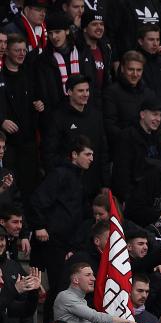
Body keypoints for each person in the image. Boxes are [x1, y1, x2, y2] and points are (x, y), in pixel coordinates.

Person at [28, 135, 94, 319]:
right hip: (52, 243)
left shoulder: (80, 179)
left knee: (62, 288)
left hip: (68, 245)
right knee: (56, 288)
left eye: (92, 155)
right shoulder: (59, 174)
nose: (91, 159)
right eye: (87, 154)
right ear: (74, 154)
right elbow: (37, 200)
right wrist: (39, 226)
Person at [41, 73, 107, 197]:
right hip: (68, 185)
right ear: (69, 92)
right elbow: (49, 154)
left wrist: (105, 183)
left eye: (87, 90)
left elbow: (102, 150)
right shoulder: (57, 118)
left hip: (93, 184)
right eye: (80, 91)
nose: (85, 94)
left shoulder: (96, 115)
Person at [0, 34, 42, 199]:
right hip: (8, 145)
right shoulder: (1, 74)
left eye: (24, 50)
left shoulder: (28, 73)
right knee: (10, 190)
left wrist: (39, 104)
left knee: (29, 187)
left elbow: (37, 97)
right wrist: (1, 121)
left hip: (28, 142)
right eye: (17, 50)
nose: (22, 54)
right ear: (7, 51)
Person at [34, 12, 94, 113]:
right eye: (50, 33)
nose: (54, 36)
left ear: (67, 31)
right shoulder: (43, 60)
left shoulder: (83, 53)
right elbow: (44, 92)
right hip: (57, 114)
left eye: (57, 32)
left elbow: (93, 84)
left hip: (84, 111)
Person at [112, 95, 161, 201]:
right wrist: (127, 198)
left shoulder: (159, 136)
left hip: (153, 194)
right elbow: (122, 172)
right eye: (155, 114)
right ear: (142, 114)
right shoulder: (127, 136)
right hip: (133, 195)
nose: (159, 119)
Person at [102, 50, 153, 148]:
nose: (135, 74)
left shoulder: (148, 93)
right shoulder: (111, 92)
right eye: (131, 69)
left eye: (139, 70)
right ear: (122, 69)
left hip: (146, 148)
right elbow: (110, 126)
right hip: (123, 148)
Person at [79, 8, 114, 91]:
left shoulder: (106, 49)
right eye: (94, 24)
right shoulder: (77, 50)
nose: (99, 27)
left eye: (101, 24)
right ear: (85, 28)